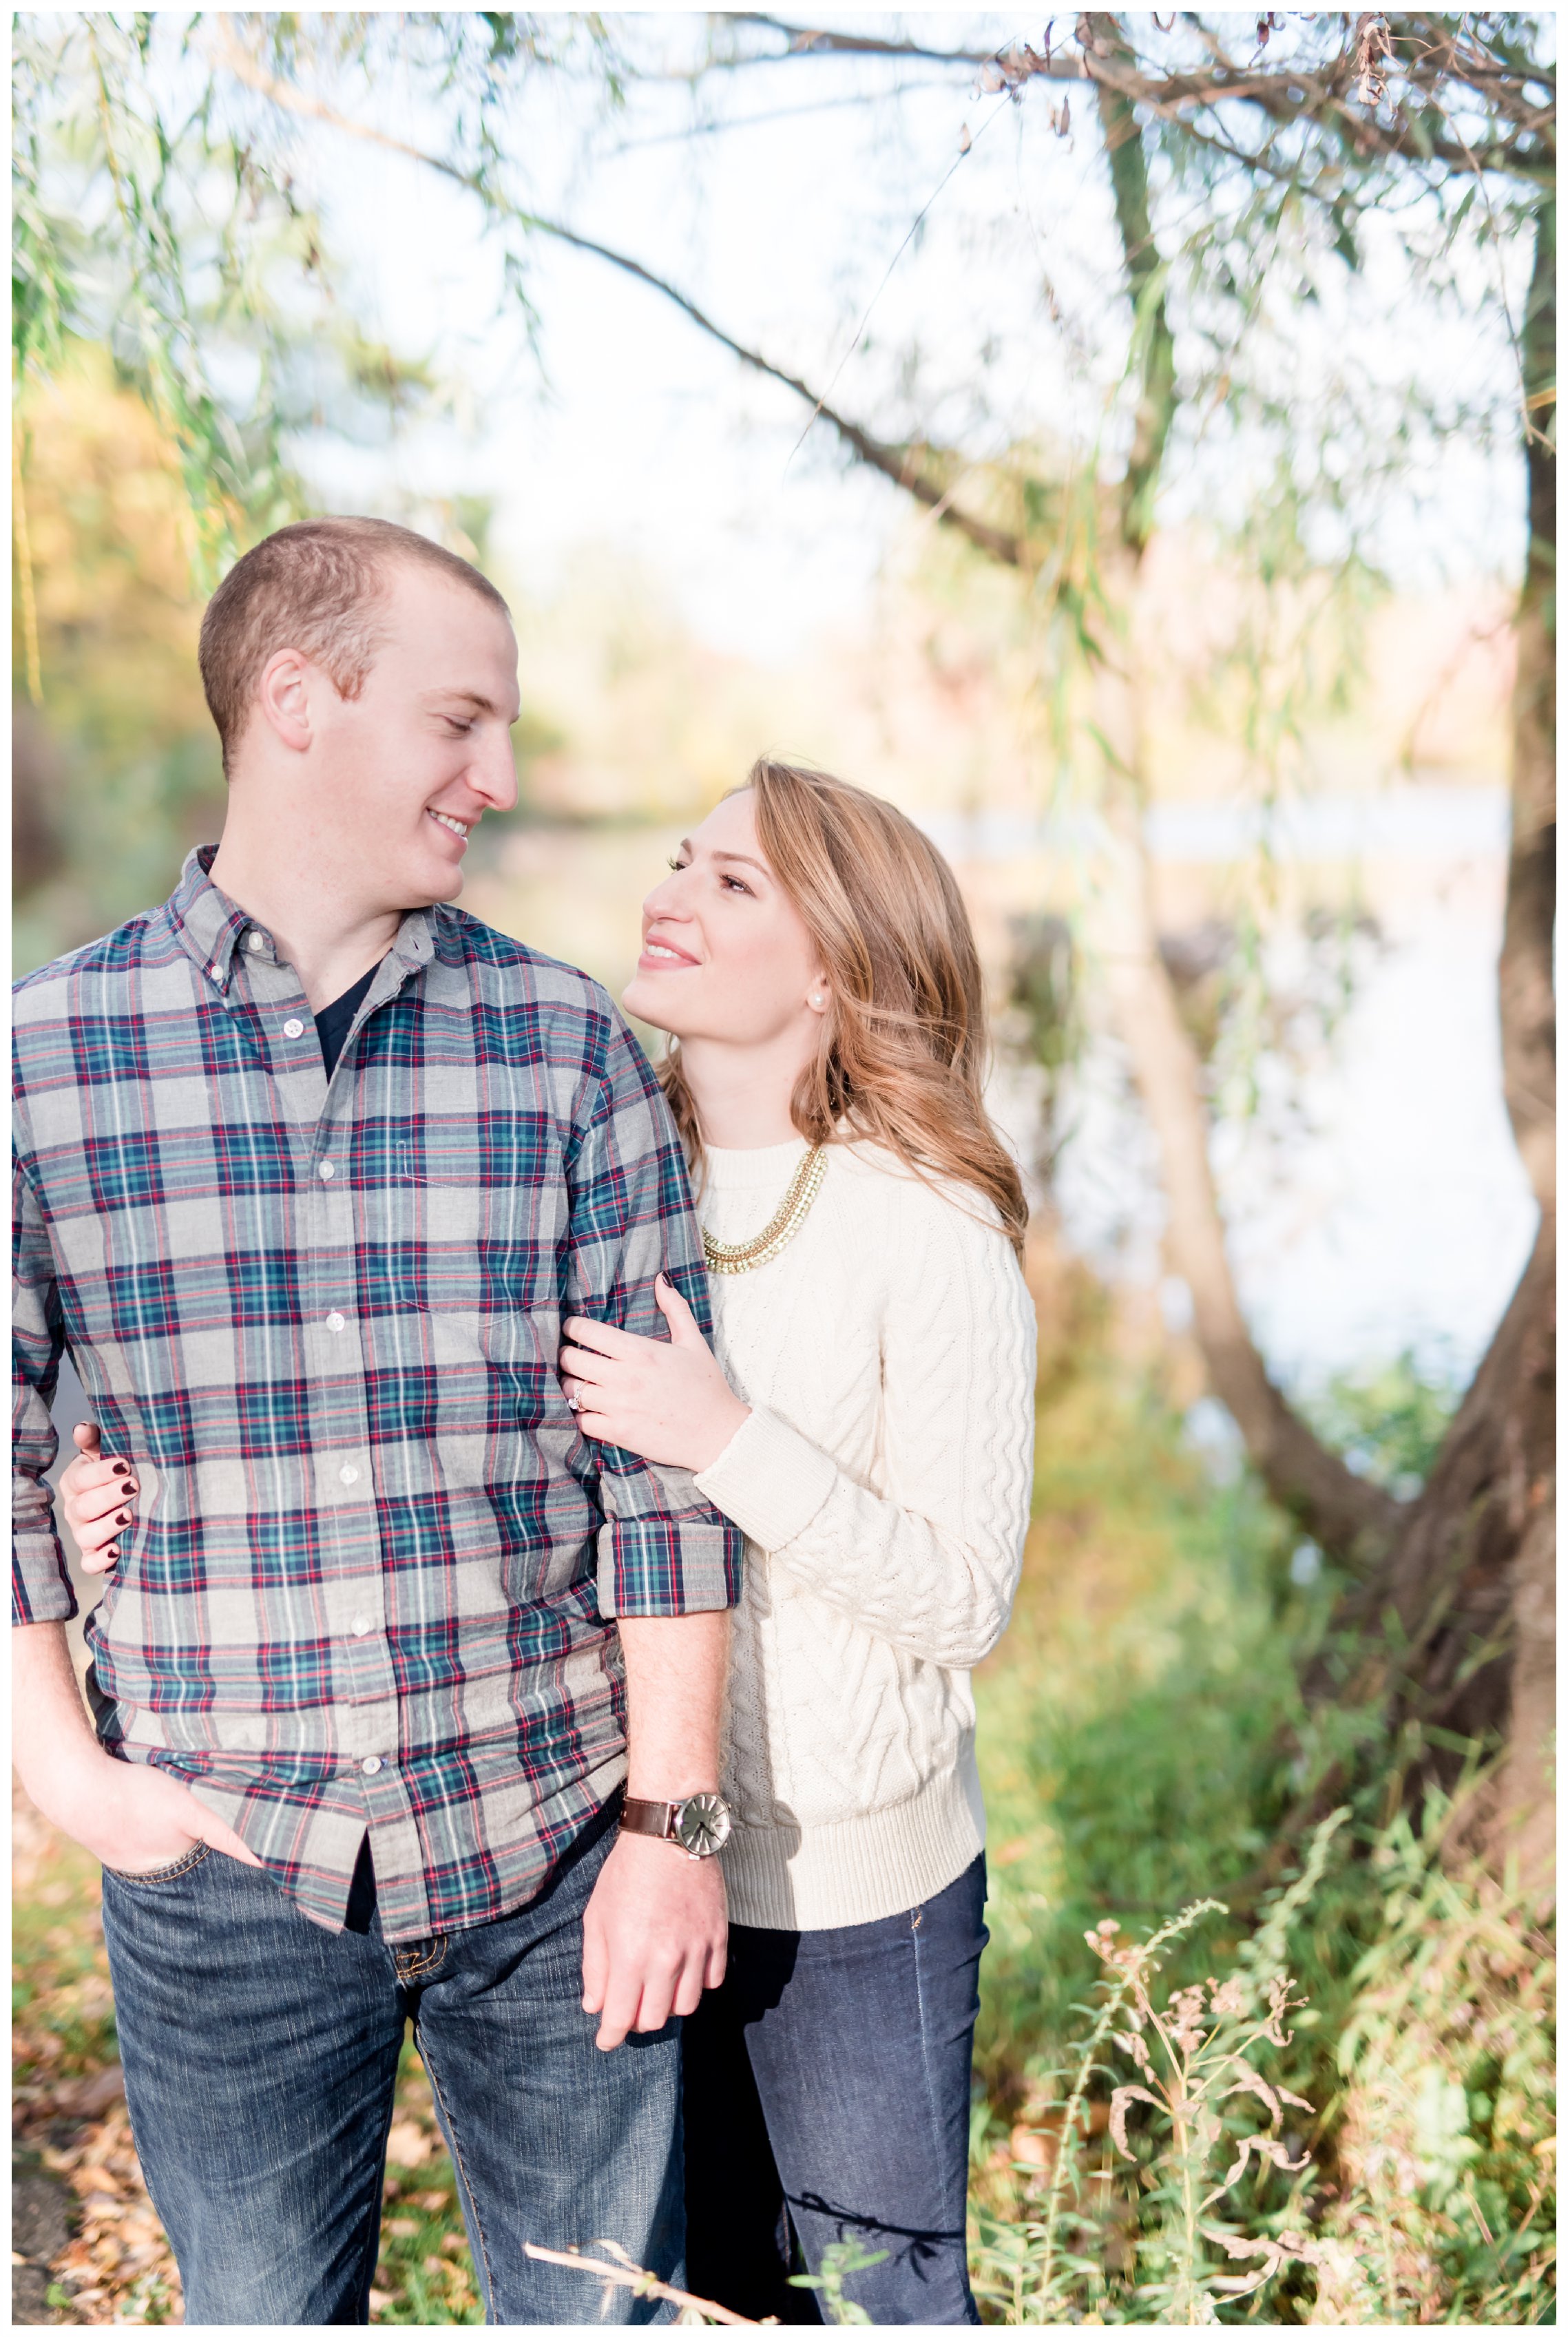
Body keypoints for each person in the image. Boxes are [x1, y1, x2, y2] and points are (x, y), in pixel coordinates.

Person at [14, 516, 744, 2328]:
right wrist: (70, 1778)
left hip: (554, 1837)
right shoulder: (45, 1065)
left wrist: (671, 1819)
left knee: (604, 2313)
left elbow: (657, 1474)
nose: (496, 777)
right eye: (458, 722)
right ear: (297, 703)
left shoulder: (565, 1051)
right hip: (224, 1859)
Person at [558, 763, 1037, 2324]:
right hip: (621, 1851)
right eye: (677, 860)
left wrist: (726, 1437)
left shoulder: (927, 1224)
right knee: (686, 2293)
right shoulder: (587, 1166)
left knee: (877, 2299)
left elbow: (962, 1599)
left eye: (730, 883)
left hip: (851, 1895)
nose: (668, 896)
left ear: (834, 963)